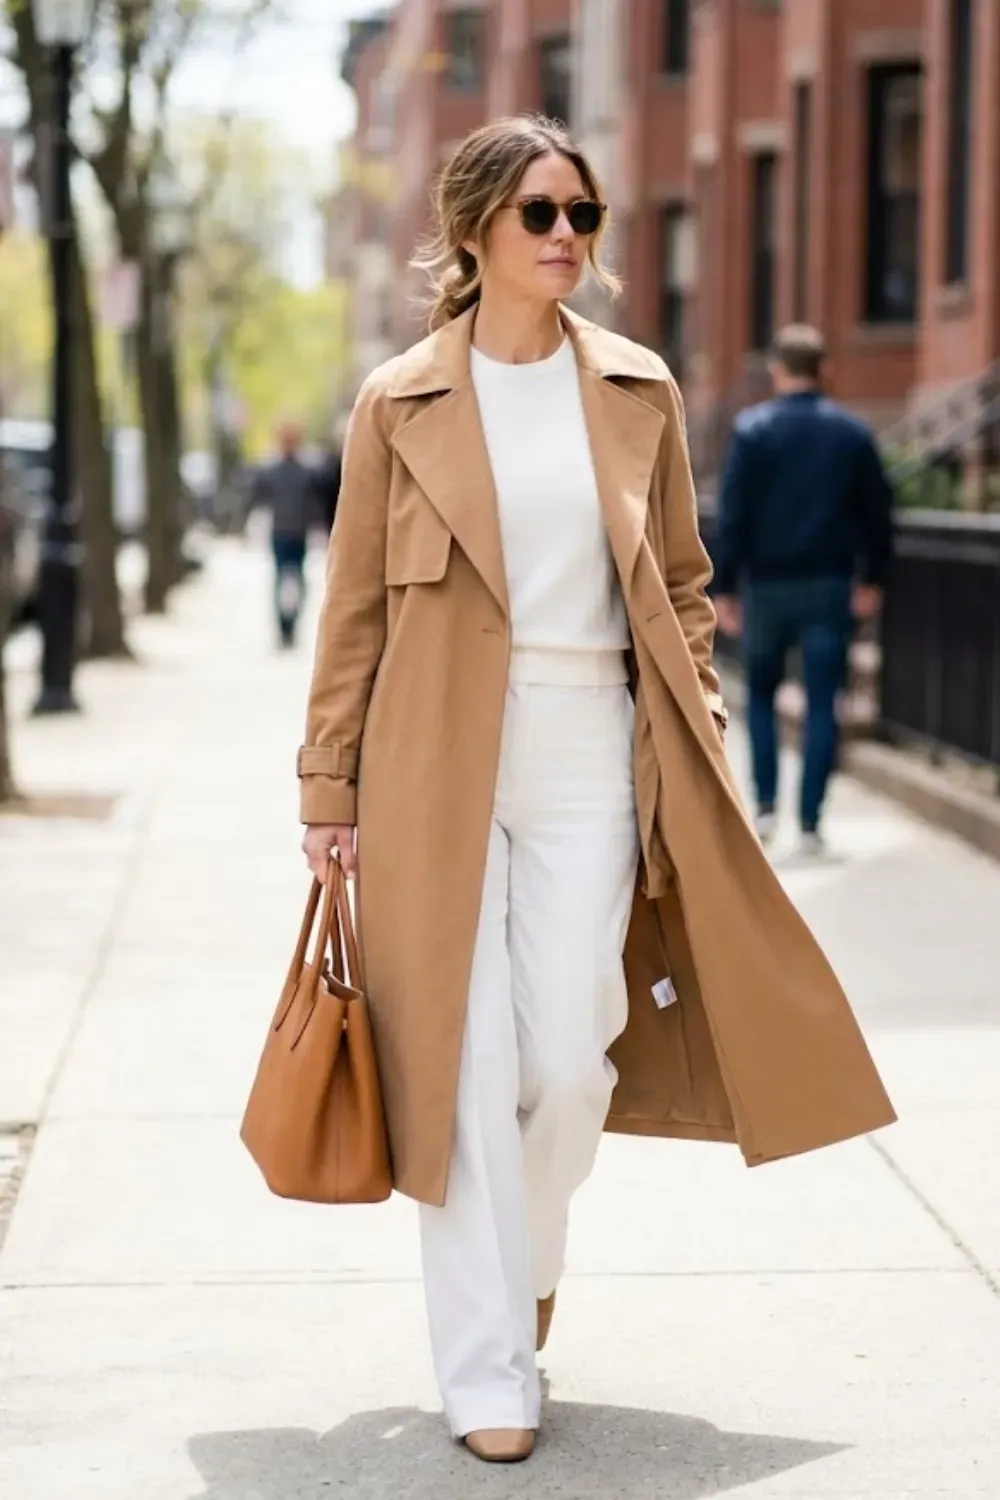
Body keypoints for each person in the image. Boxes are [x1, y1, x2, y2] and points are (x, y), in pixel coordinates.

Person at [296, 118, 894, 1464]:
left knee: (568, 1061)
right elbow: (350, 619)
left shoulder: (637, 390)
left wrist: (706, 717)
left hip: (591, 753)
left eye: (584, 213)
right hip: (436, 763)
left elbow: (681, 582)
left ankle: (531, 1259)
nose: (568, 235)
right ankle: (488, 1365)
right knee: (460, 1068)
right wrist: (327, 786)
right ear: (473, 237)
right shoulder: (400, 403)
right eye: (540, 215)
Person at [712, 325, 894, 853]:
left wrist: (724, 587)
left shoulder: (752, 431)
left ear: (777, 371)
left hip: (766, 585)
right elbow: (878, 514)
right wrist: (873, 579)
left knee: (761, 698)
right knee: (822, 702)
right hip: (828, 585)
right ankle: (812, 822)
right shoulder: (852, 433)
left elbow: (733, 514)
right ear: (825, 370)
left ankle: (767, 807)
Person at [252, 420, 322, 647]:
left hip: (298, 532)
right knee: (281, 577)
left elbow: (314, 503)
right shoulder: (271, 469)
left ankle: (292, 625)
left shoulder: (307, 470)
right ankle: (283, 628)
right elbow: (259, 497)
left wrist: (318, 526)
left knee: (298, 579)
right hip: (280, 531)